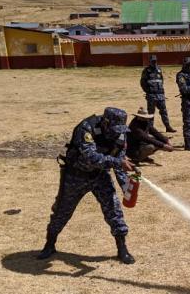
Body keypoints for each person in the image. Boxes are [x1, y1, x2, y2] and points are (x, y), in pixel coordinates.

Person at [38, 108, 136, 264]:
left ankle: (122, 249)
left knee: (114, 210)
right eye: (114, 130)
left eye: (120, 130)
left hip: (100, 176)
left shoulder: (121, 134)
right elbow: (90, 156)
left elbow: (120, 160)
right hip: (75, 176)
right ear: (105, 122)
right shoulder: (86, 128)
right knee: (62, 211)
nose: (116, 134)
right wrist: (118, 162)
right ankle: (49, 245)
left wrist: (126, 187)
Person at [140, 54, 176, 133]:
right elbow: (142, 83)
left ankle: (168, 127)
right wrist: (148, 91)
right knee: (151, 113)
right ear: (149, 61)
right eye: (152, 61)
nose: (154, 62)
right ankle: (150, 129)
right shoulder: (146, 71)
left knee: (164, 111)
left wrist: (160, 91)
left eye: (155, 61)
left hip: (160, 95)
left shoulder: (159, 69)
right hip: (151, 95)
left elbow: (161, 81)